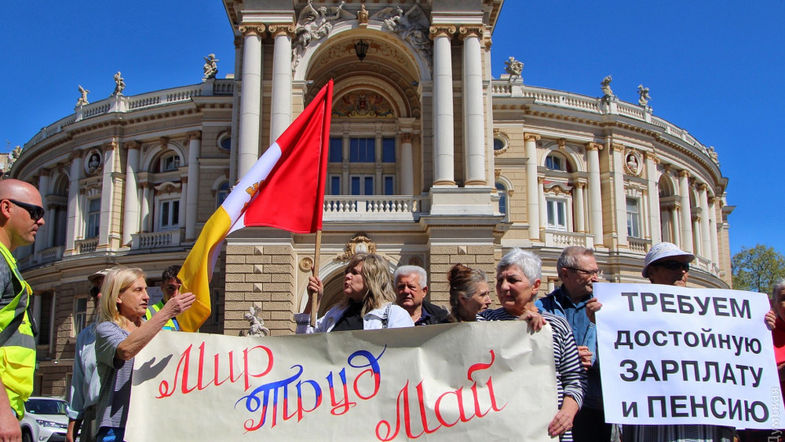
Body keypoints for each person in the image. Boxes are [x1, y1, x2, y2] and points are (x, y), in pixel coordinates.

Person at [587, 242, 737, 442]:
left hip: (699, 423)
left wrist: (761, 324)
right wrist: (604, 323)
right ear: (652, 272)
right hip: (653, 423)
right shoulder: (628, 312)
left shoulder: (709, 315)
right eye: (674, 265)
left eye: (686, 267)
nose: (682, 271)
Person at [479, 248, 586, 441]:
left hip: (548, 433)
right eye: (499, 280)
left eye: (512, 280)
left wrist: (568, 413)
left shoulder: (557, 326)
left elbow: (575, 380)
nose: (503, 287)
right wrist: (517, 329)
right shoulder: (483, 322)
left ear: (535, 285)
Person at [94, 267, 194, 441]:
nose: (147, 296)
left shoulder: (151, 327)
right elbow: (125, 350)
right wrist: (167, 312)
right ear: (117, 296)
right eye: (138, 290)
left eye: (146, 290)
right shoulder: (107, 329)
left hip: (150, 424)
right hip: (117, 427)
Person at [536, 247, 609, 442]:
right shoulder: (541, 309)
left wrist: (602, 325)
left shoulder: (608, 308)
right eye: (589, 272)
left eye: (596, 271)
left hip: (596, 406)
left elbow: (623, 357)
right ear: (565, 274)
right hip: (556, 408)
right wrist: (568, 356)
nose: (595, 278)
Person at [0, 179, 45, 440]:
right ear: (7, 208)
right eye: (35, 212)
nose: (41, 222)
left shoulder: (9, 262)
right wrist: (3, 412)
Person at [296, 253, 413, 333]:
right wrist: (313, 300)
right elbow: (305, 341)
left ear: (372, 279)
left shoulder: (395, 315)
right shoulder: (334, 314)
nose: (347, 276)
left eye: (354, 273)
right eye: (347, 272)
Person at [66, 269, 110, 442]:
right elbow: (78, 383)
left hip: (122, 418)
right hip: (92, 419)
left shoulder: (136, 330)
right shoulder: (86, 335)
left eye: (105, 290)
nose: (99, 296)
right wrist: (73, 426)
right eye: (95, 291)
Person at [143, 265, 182, 331]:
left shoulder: (191, 316)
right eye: (170, 288)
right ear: (162, 287)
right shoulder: (146, 313)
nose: (176, 294)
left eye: (181, 288)